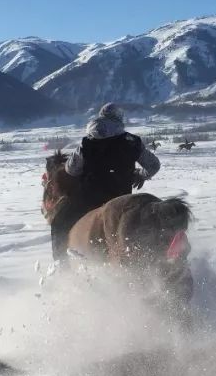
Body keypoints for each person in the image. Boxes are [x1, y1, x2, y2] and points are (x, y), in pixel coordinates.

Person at [50, 103, 161, 259]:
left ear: (101, 117)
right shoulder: (132, 141)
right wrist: (140, 175)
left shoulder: (87, 142)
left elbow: (71, 169)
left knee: (59, 222)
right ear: (120, 119)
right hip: (122, 198)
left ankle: (61, 264)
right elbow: (154, 165)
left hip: (89, 199)